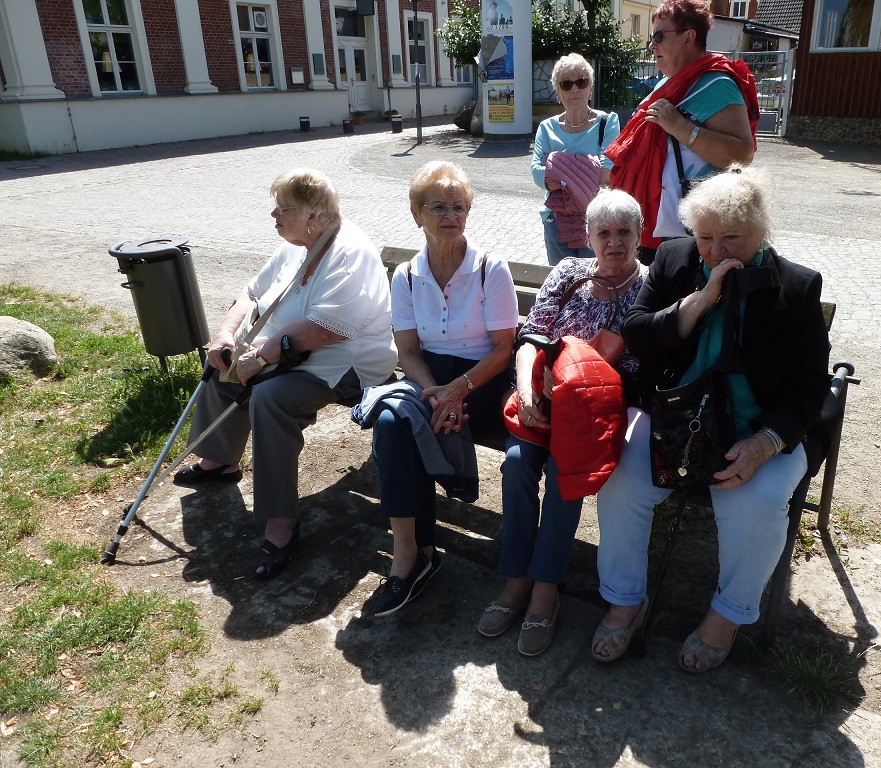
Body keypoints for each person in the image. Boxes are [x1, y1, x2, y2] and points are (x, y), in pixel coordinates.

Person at [591, 165, 830, 671]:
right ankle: (626, 599)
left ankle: (727, 615)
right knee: (619, 476)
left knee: (756, 499)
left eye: (732, 239)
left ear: (761, 231)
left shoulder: (796, 288)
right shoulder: (676, 260)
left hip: (757, 427)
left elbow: (812, 386)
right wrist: (699, 302)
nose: (717, 251)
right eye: (706, 238)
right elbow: (636, 331)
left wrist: (767, 442)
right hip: (678, 418)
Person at [173, 167, 398, 580]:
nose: (274, 215)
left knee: (270, 397)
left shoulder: (349, 251)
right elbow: (251, 294)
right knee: (220, 361)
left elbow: (327, 330)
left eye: (284, 209)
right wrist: (226, 334)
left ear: (313, 215)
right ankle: (220, 460)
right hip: (290, 355)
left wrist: (261, 359)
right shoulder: (295, 244)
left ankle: (281, 522)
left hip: (345, 365)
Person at [478, 189, 647, 656]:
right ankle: (515, 580)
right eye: (604, 233)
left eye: (624, 232)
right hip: (544, 407)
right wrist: (529, 391)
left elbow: (640, 366)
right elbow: (530, 338)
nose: (614, 242)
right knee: (516, 464)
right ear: (589, 237)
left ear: (639, 235)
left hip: (601, 413)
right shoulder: (569, 272)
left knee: (563, 474)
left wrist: (581, 388)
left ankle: (544, 591)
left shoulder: (649, 285)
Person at [368, 161, 519, 617]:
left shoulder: (491, 268)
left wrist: (459, 389)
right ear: (416, 213)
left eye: (459, 206)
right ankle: (411, 556)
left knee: (413, 425)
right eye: (438, 207)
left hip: (485, 379)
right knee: (395, 421)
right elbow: (408, 350)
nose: (451, 215)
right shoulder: (407, 276)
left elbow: (503, 348)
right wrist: (436, 392)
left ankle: (423, 556)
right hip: (429, 378)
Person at [604, 0, 760, 265]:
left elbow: (742, 153)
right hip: (654, 229)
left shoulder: (717, 83)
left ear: (689, 38)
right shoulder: (665, 83)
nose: (652, 45)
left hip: (692, 237)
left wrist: (681, 127)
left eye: (659, 36)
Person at [532, 53, 621, 265]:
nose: (574, 89)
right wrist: (588, 166)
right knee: (562, 286)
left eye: (581, 82)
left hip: (597, 220)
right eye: (566, 84)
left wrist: (556, 164)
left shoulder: (607, 123)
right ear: (558, 93)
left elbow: (606, 173)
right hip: (556, 221)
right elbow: (537, 175)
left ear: (590, 89)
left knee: (596, 284)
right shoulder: (546, 127)